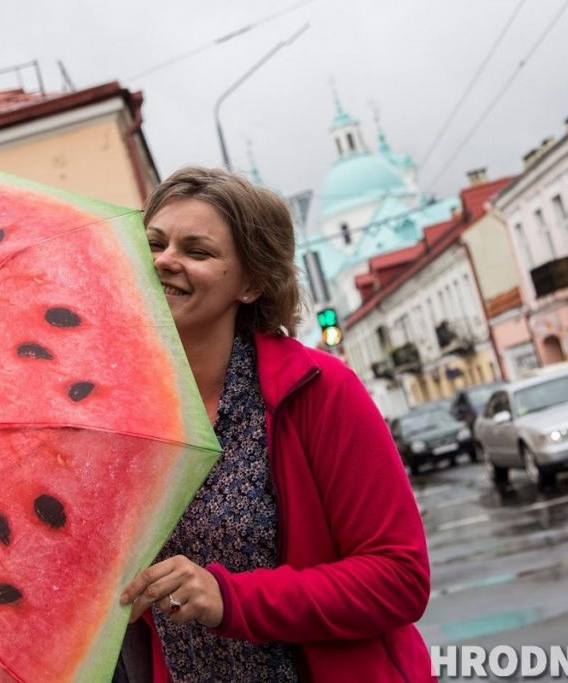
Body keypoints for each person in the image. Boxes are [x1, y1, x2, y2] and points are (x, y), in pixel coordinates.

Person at [117, 166, 434, 682]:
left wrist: (230, 598)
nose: (164, 261)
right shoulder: (121, 410)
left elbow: (399, 579)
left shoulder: (318, 391)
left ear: (252, 284)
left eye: (196, 252)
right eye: (153, 243)